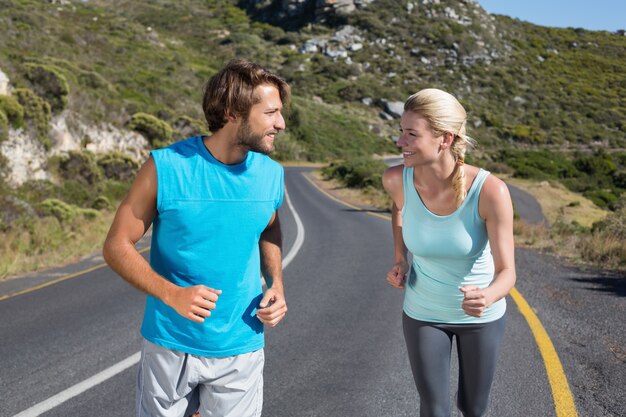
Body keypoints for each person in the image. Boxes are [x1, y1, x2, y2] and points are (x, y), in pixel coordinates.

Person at [103, 59, 290, 417]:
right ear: (232, 112)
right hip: (172, 345)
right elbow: (116, 245)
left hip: (242, 346)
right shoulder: (166, 167)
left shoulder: (271, 175)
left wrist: (276, 283)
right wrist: (171, 294)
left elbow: (268, 227)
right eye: (270, 113)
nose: (280, 124)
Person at [382, 88, 516, 417]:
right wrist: (400, 258)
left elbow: (508, 272)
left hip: (480, 318)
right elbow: (399, 210)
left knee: (473, 407)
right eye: (401, 132)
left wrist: (486, 297)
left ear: (445, 139)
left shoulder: (490, 191)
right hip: (423, 311)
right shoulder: (396, 179)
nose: (400, 142)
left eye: (411, 134)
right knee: (434, 409)